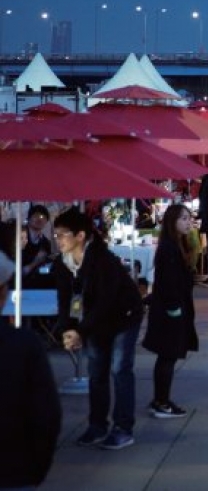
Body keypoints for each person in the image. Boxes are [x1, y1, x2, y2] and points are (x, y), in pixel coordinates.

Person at [53, 208, 144, 450]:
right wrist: (67, 329)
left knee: (120, 369)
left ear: (80, 236)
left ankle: (123, 427)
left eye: (63, 235)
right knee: (97, 372)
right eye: (56, 235)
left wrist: (80, 331)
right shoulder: (62, 265)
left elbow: (105, 302)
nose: (58, 240)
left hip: (123, 316)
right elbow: (66, 301)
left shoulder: (102, 261)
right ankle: (97, 425)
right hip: (94, 322)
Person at [0, 250, 62, 489]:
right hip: (15, 468)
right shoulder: (23, 345)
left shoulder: (23, 345)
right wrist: (35, 468)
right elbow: (47, 414)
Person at [142, 204, 199, 419]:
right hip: (170, 311)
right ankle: (161, 401)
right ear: (172, 221)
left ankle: (161, 399)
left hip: (170, 308)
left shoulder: (176, 245)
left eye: (189, 218)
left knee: (167, 356)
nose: (188, 222)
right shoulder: (169, 248)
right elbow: (168, 282)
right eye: (183, 218)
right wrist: (175, 310)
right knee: (168, 356)